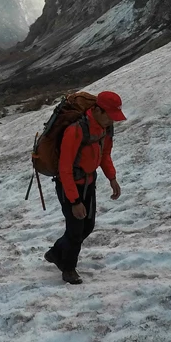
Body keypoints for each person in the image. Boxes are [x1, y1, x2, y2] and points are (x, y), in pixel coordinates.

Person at [45, 91, 124, 285]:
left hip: (89, 182)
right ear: (97, 110)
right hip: (70, 186)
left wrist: (112, 178)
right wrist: (74, 201)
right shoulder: (76, 130)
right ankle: (69, 269)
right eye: (109, 116)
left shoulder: (105, 129)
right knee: (75, 230)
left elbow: (104, 155)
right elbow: (65, 168)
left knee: (87, 226)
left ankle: (55, 252)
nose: (111, 121)